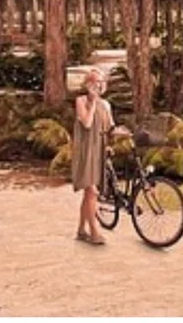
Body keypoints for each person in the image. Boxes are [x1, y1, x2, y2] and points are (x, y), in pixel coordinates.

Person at [72, 68, 113, 244]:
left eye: (101, 82)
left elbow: (110, 127)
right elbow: (87, 123)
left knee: (89, 194)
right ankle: (95, 232)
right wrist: (94, 102)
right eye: (94, 82)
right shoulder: (81, 101)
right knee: (92, 192)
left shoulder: (107, 105)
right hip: (86, 152)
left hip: (100, 151)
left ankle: (81, 230)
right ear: (87, 84)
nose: (98, 86)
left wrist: (114, 141)